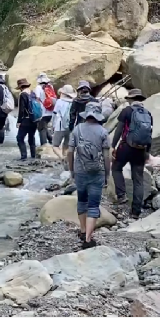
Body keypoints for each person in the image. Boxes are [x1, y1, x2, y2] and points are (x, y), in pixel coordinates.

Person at [67, 105, 111, 249]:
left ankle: (83, 230)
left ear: (86, 114)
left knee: (82, 201)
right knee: (93, 204)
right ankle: (88, 239)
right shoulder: (103, 132)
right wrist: (107, 174)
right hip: (96, 172)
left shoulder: (77, 129)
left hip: (80, 171)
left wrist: (72, 170)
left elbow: (70, 152)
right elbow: (106, 156)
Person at [110, 89, 151, 218]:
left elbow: (119, 130)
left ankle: (121, 195)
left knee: (116, 168)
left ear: (131, 100)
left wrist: (112, 146)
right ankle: (136, 212)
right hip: (141, 149)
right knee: (138, 180)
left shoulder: (127, 111)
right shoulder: (148, 114)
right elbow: (149, 134)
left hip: (126, 147)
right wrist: (147, 152)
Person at [15, 78, 39, 160]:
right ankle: (33, 156)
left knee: (20, 138)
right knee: (31, 137)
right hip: (34, 119)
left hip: (26, 120)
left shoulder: (23, 94)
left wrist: (19, 122)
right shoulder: (32, 93)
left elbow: (21, 110)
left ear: (21, 87)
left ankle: (23, 157)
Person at [51, 85, 76, 159]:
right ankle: (67, 165)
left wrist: (53, 125)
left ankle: (62, 158)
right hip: (71, 127)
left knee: (55, 146)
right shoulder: (74, 102)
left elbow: (54, 114)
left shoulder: (59, 101)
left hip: (60, 126)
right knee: (66, 146)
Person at [34, 73, 56, 145]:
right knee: (44, 126)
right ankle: (50, 139)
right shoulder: (50, 87)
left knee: (41, 129)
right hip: (50, 111)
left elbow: (37, 99)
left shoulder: (38, 88)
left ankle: (44, 145)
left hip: (42, 112)